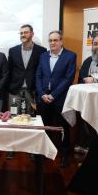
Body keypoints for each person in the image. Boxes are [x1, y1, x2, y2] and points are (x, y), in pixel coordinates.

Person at [36, 30, 76, 167]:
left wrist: (53, 95)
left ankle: (65, 154)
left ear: (61, 41)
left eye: (55, 40)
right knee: (45, 126)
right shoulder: (43, 56)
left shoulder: (70, 56)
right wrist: (42, 94)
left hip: (60, 98)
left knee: (62, 127)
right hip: (43, 97)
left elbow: (68, 79)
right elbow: (39, 76)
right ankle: (45, 151)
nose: (52, 43)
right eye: (50, 40)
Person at [6, 24, 46, 159]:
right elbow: (9, 71)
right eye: (21, 33)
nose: (23, 35)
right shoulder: (13, 51)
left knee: (31, 119)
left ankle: (31, 149)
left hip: (32, 90)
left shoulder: (41, 51)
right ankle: (13, 147)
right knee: (13, 118)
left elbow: (41, 71)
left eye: (25, 32)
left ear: (32, 34)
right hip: (14, 90)